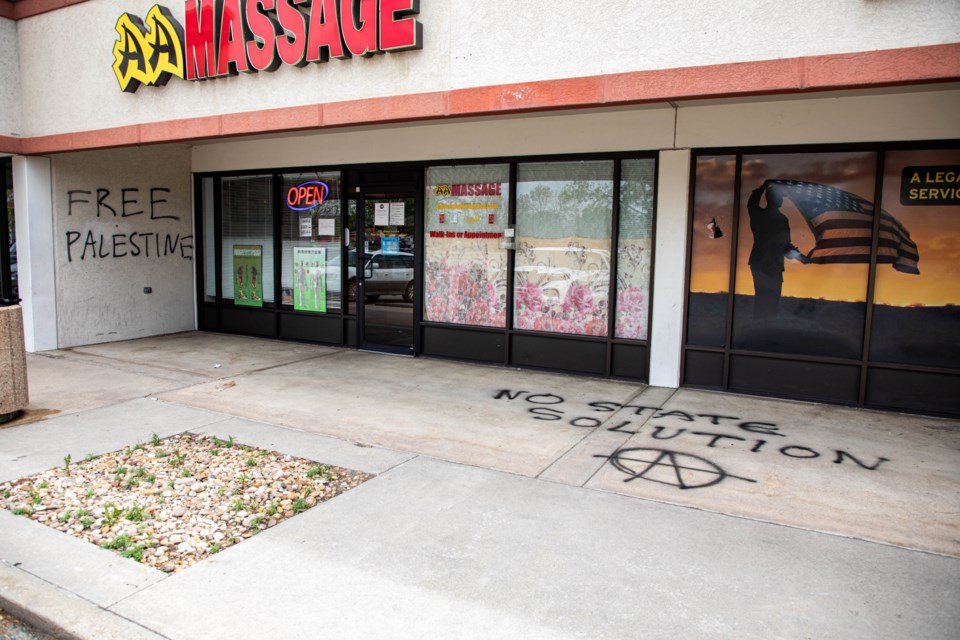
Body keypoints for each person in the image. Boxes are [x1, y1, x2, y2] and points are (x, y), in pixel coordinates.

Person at [747, 183, 792, 319]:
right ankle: (760, 331)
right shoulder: (760, 215)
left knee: (769, 302)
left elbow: (786, 246)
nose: (782, 200)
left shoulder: (781, 219)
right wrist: (762, 187)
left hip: (770, 265)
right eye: (780, 197)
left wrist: (802, 258)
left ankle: (763, 330)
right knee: (765, 300)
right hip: (764, 265)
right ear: (772, 199)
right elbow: (752, 203)